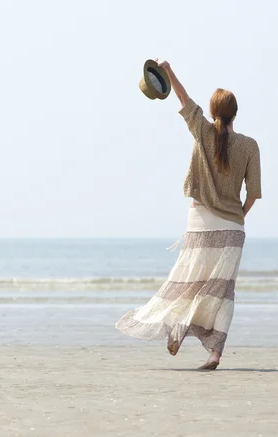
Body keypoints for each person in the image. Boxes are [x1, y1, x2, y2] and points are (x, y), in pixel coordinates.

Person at [115, 59, 262, 370]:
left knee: (187, 282)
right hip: (233, 228)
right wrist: (239, 216)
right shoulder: (250, 146)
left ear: (211, 112)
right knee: (221, 291)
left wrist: (168, 72)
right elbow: (254, 194)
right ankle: (215, 354)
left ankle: (179, 327)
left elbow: (183, 99)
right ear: (235, 113)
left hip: (200, 222)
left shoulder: (203, 131)